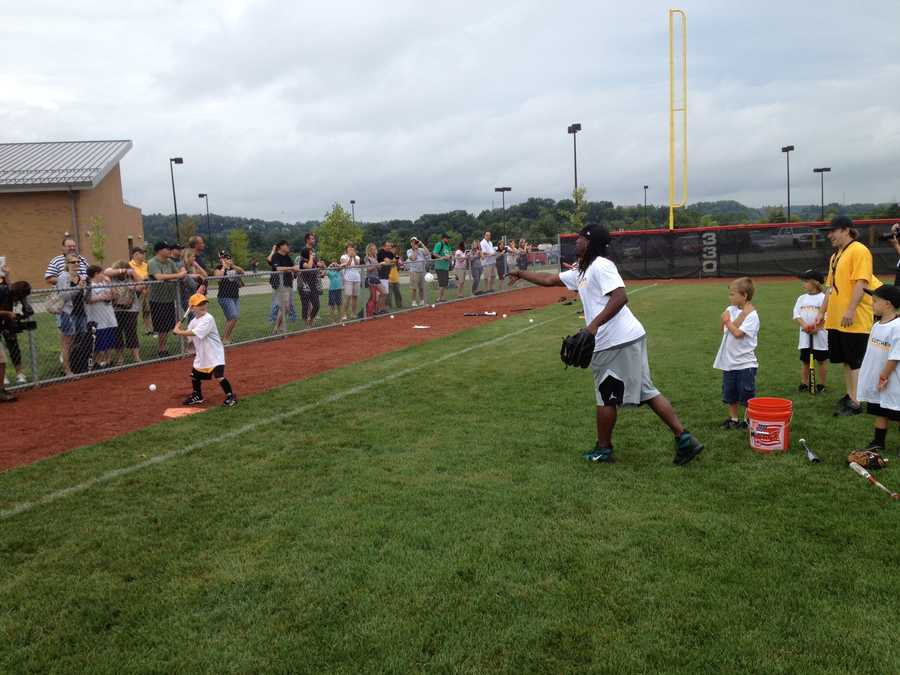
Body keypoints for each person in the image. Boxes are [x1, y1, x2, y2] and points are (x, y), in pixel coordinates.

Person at [507, 224, 703, 465]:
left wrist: (593, 327)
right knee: (645, 390)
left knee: (605, 395)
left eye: (580, 238)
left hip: (615, 340)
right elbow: (549, 279)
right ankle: (685, 440)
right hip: (626, 337)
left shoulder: (601, 265)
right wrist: (521, 273)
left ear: (589, 242)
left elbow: (620, 296)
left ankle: (604, 448)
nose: (576, 241)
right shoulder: (582, 270)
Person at [817, 216, 881, 416]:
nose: (829, 235)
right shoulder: (836, 255)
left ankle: (856, 402)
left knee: (854, 360)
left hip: (853, 317)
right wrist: (822, 311)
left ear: (846, 230)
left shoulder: (859, 250)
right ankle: (850, 394)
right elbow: (830, 287)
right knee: (845, 359)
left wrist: (851, 309)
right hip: (837, 318)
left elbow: (862, 283)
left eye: (833, 231)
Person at [855, 285, 900, 452]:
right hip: (878, 377)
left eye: (875, 301)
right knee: (880, 410)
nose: (872, 304)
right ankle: (878, 442)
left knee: (896, 410)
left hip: (892, 379)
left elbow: (895, 356)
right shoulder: (877, 324)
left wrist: (884, 376)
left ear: (887, 303)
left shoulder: (897, 327)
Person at [173, 293, 237, 407]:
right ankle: (197, 396)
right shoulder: (193, 322)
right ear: (192, 308)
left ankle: (231, 396)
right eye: (199, 305)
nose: (203, 306)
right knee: (195, 375)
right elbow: (189, 338)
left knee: (219, 376)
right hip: (202, 354)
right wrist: (179, 331)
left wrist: (179, 332)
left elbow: (195, 332)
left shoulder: (208, 318)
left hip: (214, 353)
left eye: (204, 303)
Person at [713, 277, 760, 429]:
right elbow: (723, 330)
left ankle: (748, 421)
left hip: (745, 364)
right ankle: (733, 419)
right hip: (729, 362)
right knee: (730, 393)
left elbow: (738, 333)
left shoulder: (752, 315)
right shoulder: (731, 310)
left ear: (744, 295)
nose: (730, 297)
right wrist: (726, 320)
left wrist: (728, 322)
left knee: (746, 394)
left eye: (733, 294)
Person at [147, 241, 187, 357]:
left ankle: (166, 346)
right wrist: (178, 275)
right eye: (167, 249)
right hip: (157, 299)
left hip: (170, 298)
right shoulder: (152, 262)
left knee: (170, 325)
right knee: (161, 327)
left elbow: (180, 273)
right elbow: (159, 277)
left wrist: (181, 274)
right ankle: (161, 349)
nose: (169, 251)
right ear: (159, 251)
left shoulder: (169, 262)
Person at [793, 269, 828, 393]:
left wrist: (817, 328)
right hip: (805, 335)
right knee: (805, 360)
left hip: (820, 335)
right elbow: (797, 314)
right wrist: (805, 326)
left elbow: (827, 315)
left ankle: (821, 384)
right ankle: (804, 383)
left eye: (806, 281)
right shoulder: (802, 298)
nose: (804, 284)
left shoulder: (824, 298)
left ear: (815, 283)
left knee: (821, 360)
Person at [105, 260, 143, 365]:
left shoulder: (131, 277)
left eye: (125, 271)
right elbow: (106, 272)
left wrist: (133, 273)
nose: (122, 274)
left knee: (131, 332)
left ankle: (136, 357)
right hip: (116, 309)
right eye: (120, 271)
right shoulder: (111, 277)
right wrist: (121, 270)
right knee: (117, 333)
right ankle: (120, 358)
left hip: (131, 309)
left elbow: (141, 285)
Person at [0, 279, 32, 402]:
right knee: (1, 360)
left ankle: (1, 390)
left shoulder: (9, 296)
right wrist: (8, 313)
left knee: (2, 361)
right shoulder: (3, 292)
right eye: (21, 297)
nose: (20, 300)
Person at [55, 256, 86, 376]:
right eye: (73, 262)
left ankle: (75, 366)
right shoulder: (64, 276)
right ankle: (67, 370)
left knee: (77, 341)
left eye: (78, 261)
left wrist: (85, 288)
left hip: (81, 312)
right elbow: (63, 295)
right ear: (67, 263)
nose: (76, 264)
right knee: (67, 343)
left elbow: (83, 295)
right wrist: (79, 288)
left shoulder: (80, 277)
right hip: (68, 313)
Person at [84, 265, 119, 369]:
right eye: (101, 273)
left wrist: (110, 285)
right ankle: (97, 363)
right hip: (97, 319)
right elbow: (87, 300)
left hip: (109, 317)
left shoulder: (105, 283)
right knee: (98, 344)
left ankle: (108, 361)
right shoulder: (89, 285)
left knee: (109, 342)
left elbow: (115, 295)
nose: (104, 275)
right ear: (96, 274)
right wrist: (100, 297)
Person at [0, 263, 26, 386]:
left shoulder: (4, 285)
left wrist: (7, 274)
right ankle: (3, 377)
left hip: (6, 319)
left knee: (13, 345)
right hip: (4, 314)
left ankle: (19, 373)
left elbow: (11, 288)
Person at [213, 250, 244, 343]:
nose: (229, 260)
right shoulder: (218, 268)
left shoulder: (233, 268)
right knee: (233, 316)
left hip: (235, 296)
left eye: (230, 259)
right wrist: (223, 266)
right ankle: (225, 338)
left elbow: (242, 272)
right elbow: (218, 278)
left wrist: (232, 266)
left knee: (233, 318)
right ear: (222, 260)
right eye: (226, 259)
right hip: (225, 296)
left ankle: (226, 337)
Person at [269, 240, 298, 333]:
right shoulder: (275, 256)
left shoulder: (287, 257)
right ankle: (277, 328)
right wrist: (291, 268)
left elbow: (294, 267)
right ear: (281, 246)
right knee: (284, 306)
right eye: (286, 245)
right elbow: (277, 268)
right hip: (280, 284)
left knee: (286, 307)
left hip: (288, 283)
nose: (288, 247)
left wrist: (294, 269)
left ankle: (280, 326)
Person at [297, 232, 323, 328]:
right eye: (312, 238)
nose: (314, 240)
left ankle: (310, 319)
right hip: (304, 284)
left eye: (314, 238)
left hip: (312, 283)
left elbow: (315, 265)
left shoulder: (313, 253)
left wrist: (321, 265)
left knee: (316, 304)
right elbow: (308, 266)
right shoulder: (303, 260)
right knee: (305, 305)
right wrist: (311, 257)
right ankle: (306, 325)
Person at [128, 247, 153, 334]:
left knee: (147, 311)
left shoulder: (146, 265)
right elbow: (132, 279)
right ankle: (133, 330)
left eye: (144, 253)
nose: (144, 255)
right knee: (136, 312)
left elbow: (149, 277)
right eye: (142, 253)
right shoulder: (129, 265)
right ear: (135, 255)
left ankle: (149, 329)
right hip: (137, 292)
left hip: (148, 290)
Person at [405, 237, 429, 306]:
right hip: (414, 271)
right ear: (411, 243)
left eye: (415, 241)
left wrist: (422, 244)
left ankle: (422, 300)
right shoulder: (409, 251)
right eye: (413, 242)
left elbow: (427, 253)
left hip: (422, 270)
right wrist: (415, 249)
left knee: (422, 287)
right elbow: (413, 258)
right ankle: (414, 301)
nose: (414, 243)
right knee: (414, 288)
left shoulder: (421, 249)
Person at [340, 244, 361, 320]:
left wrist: (354, 257)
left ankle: (353, 313)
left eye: (352, 248)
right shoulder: (343, 257)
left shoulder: (357, 257)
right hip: (348, 278)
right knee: (348, 296)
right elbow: (347, 265)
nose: (351, 249)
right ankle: (344, 314)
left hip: (357, 278)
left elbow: (357, 264)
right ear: (346, 249)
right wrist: (350, 257)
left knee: (355, 296)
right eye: (349, 248)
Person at [364, 243, 385, 317]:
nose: (375, 250)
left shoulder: (375, 257)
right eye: (374, 249)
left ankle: (374, 310)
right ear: (370, 250)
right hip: (371, 278)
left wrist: (381, 264)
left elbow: (379, 268)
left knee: (379, 295)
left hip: (376, 278)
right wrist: (377, 265)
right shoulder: (367, 258)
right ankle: (370, 312)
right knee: (378, 295)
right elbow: (369, 268)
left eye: (375, 249)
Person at [376, 241, 396, 313]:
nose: (390, 247)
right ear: (384, 246)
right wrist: (390, 261)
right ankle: (377, 309)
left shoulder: (390, 253)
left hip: (386, 275)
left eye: (390, 246)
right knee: (381, 294)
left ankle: (382, 309)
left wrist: (390, 261)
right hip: (380, 275)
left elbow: (394, 262)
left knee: (385, 293)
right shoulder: (380, 252)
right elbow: (387, 261)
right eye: (388, 246)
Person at [432, 233, 453, 303]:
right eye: (447, 238)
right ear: (443, 238)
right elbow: (434, 253)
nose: (448, 240)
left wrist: (450, 257)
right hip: (440, 266)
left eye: (448, 238)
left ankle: (441, 297)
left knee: (444, 283)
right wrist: (442, 257)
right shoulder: (439, 244)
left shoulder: (448, 246)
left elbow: (450, 254)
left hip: (446, 267)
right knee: (441, 283)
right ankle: (439, 298)